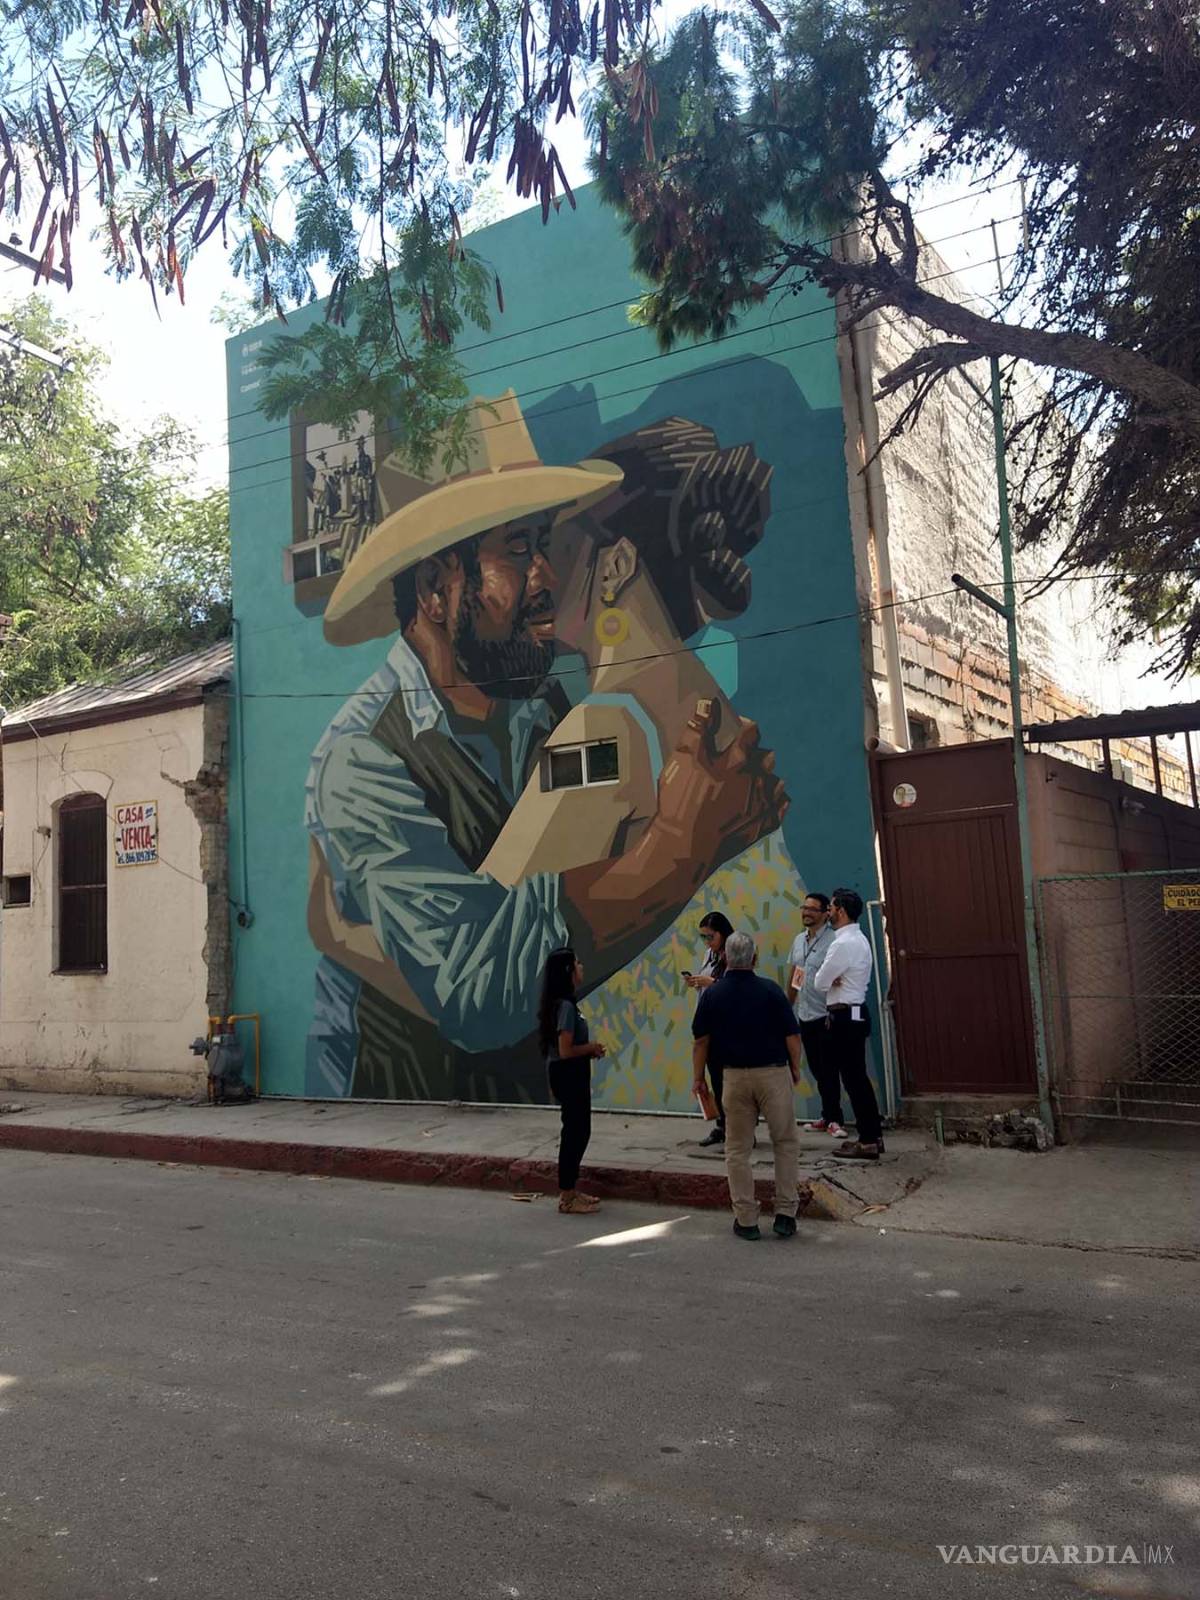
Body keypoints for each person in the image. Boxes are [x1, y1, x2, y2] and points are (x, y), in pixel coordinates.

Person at [305, 391, 787, 1104]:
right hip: (428, 1115)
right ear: (437, 587)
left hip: (536, 1097)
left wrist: (349, 942)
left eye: (547, 545)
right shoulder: (363, 758)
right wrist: (681, 845)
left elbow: (579, 891)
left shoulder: (539, 706)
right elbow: (477, 995)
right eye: (520, 549)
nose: (547, 578)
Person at [691, 931, 803, 1241]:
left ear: (725, 957)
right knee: (785, 1142)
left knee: (737, 1149)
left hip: (734, 1078)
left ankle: (746, 1218)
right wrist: (795, 1067)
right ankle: (785, 1214)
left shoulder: (713, 995)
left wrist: (698, 1078)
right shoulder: (770, 991)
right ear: (754, 958)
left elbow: (701, 1041)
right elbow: (791, 1036)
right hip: (772, 1074)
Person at [813, 888, 884, 1160]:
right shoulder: (859, 939)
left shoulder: (841, 943)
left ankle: (866, 1140)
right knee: (858, 1078)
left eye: (831, 907)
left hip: (843, 1015)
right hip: (855, 1011)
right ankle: (872, 1135)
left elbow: (820, 981)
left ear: (840, 911)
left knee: (852, 1079)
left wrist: (829, 978)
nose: (828, 911)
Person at [538, 947, 607, 1215]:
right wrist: (591, 1048)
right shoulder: (565, 1006)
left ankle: (571, 1189)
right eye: (577, 963)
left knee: (579, 1130)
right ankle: (567, 1196)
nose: (582, 967)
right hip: (568, 1074)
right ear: (568, 971)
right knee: (575, 1133)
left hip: (572, 1073)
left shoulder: (565, 1003)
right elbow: (565, 1050)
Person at [786, 892, 846, 1136]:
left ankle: (835, 1119)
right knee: (817, 1068)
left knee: (829, 1068)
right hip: (806, 1014)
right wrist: (787, 1006)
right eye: (804, 908)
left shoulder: (834, 941)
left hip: (827, 1015)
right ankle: (826, 1115)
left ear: (824, 914)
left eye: (812, 909)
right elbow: (797, 974)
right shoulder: (799, 940)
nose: (806, 913)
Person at [686, 911, 733, 1146]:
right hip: (708, 1018)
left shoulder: (733, 955)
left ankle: (737, 1129)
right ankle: (721, 1125)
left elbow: (735, 987)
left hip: (726, 1024)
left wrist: (711, 983)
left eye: (710, 937)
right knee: (715, 1077)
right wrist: (697, 982)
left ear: (723, 935)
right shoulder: (709, 955)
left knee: (729, 1082)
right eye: (703, 937)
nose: (707, 942)